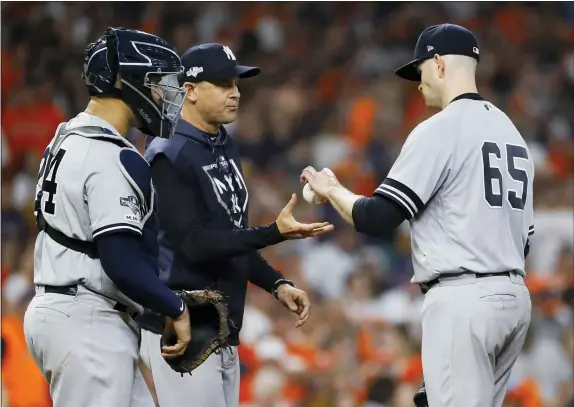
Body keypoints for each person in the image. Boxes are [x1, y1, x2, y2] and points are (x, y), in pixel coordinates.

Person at [300, 24, 533, 407]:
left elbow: (376, 218)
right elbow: (525, 238)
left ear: (438, 63)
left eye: (420, 70)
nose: (418, 83)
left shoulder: (440, 128)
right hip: (513, 298)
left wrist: (332, 189)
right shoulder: (511, 133)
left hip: (463, 299)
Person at [138, 43, 334, 407]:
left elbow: (232, 238)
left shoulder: (222, 142)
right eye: (224, 84)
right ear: (190, 91)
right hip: (184, 324)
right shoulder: (169, 152)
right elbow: (194, 244)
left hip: (223, 325)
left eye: (236, 84)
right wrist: (275, 233)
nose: (236, 93)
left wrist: (275, 283)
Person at [23, 27, 193, 407]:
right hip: (86, 318)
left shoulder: (65, 138)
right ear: (124, 81)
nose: (164, 94)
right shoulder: (109, 154)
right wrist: (174, 306)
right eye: (156, 82)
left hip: (70, 308)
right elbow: (120, 261)